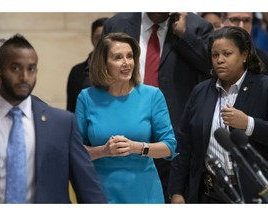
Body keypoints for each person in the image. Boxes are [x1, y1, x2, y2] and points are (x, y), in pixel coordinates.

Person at [0, 33, 107, 204]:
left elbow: (89, 192)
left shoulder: (61, 123)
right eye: (15, 68)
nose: (24, 77)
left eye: (31, 68)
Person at [102, 12, 213, 203]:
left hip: (175, 132)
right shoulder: (118, 23)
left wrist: (185, 35)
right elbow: (95, 71)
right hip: (124, 132)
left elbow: (212, 68)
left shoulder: (196, 26)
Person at [169, 26, 268, 203]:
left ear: (244, 55)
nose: (220, 60)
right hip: (209, 192)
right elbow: (183, 144)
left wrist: (249, 124)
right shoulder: (201, 91)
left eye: (227, 54)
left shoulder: (263, 87)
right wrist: (176, 192)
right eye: (215, 55)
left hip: (254, 192)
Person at [76, 32, 178, 203]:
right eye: (118, 58)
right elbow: (75, 151)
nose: (126, 63)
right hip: (100, 191)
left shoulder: (152, 95)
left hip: (144, 191)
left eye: (130, 56)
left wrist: (137, 147)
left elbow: (170, 146)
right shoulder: (87, 97)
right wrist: (104, 151)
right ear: (104, 63)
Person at [66, 17, 108, 113]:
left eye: (105, 37)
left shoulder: (118, 69)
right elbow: (71, 108)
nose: (101, 42)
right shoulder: (77, 71)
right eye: (98, 37)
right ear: (92, 38)